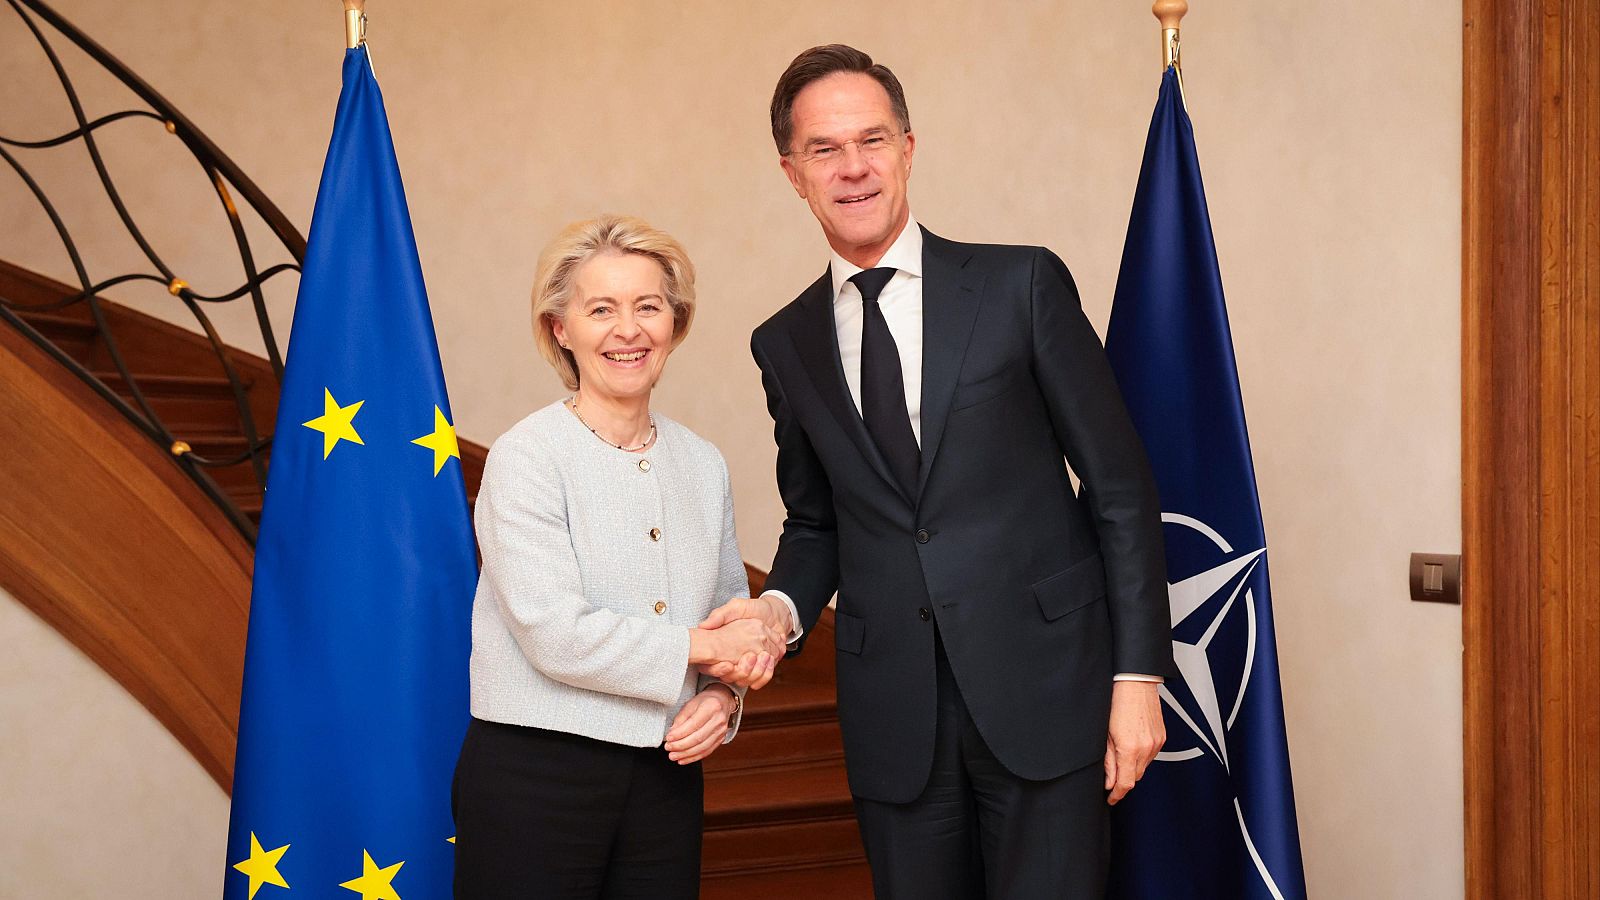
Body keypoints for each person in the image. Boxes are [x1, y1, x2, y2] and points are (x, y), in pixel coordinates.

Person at [702, 45, 1178, 898]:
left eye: (872, 139)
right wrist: (776, 610)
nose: (853, 167)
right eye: (824, 149)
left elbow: (1118, 488)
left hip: (1048, 694)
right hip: (895, 719)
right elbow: (817, 523)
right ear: (792, 173)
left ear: (909, 149)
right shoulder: (785, 342)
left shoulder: (1019, 284)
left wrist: (1138, 678)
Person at [452, 214, 785, 899]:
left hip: (664, 778)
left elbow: (727, 617)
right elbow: (555, 635)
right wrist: (703, 651)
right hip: (535, 778)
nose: (627, 330)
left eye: (648, 307)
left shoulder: (702, 463)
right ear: (560, 328)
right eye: (601, 309)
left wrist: (724, 696)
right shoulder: (527, 457)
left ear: (675, 324)